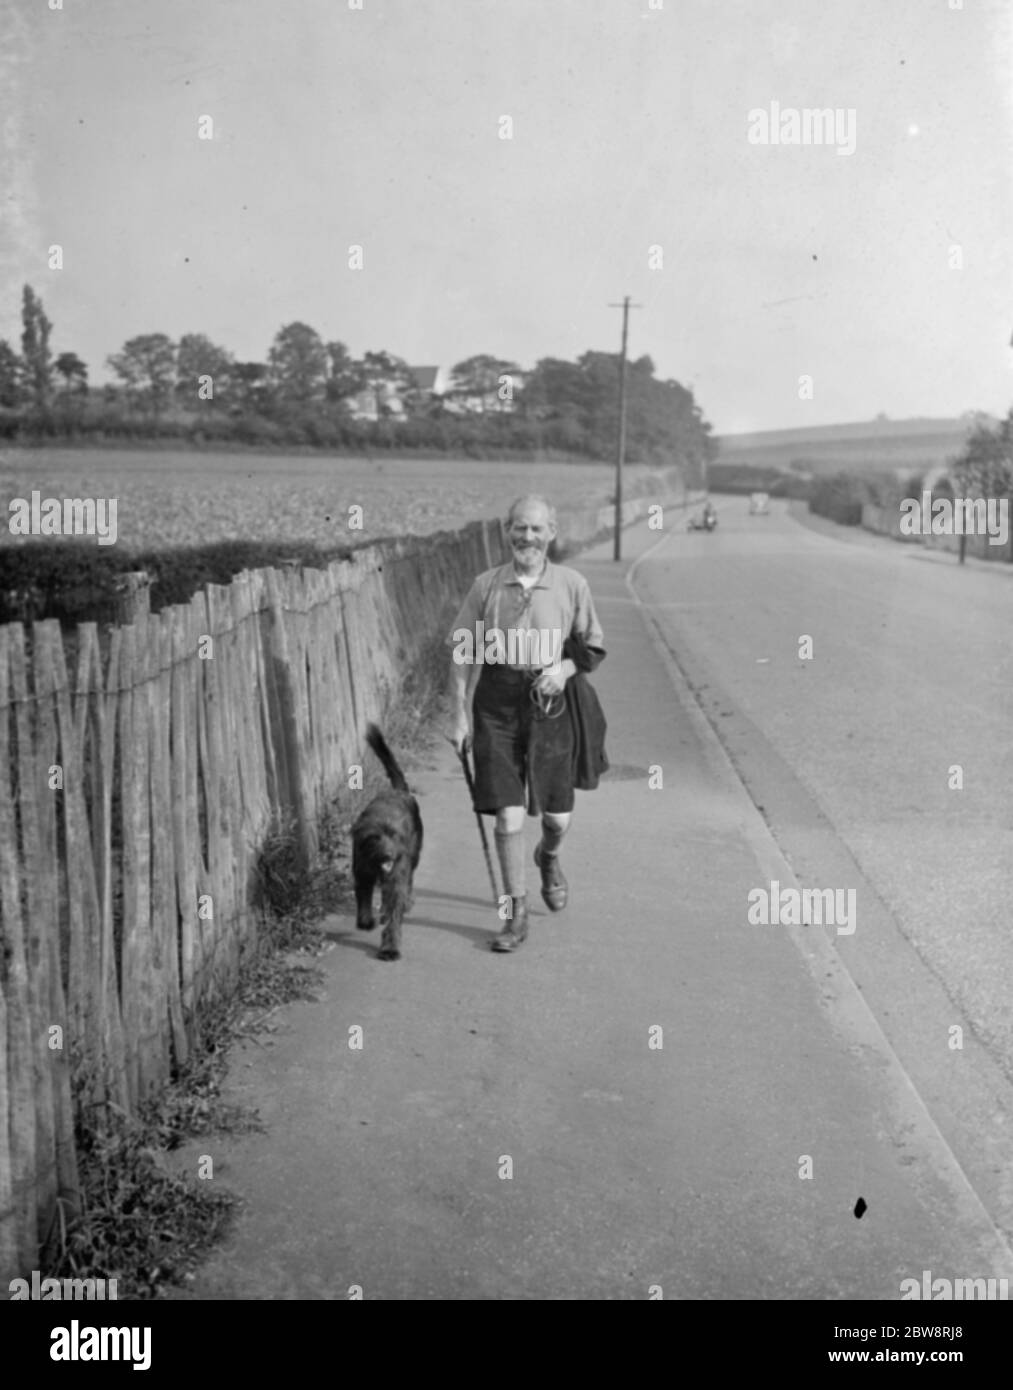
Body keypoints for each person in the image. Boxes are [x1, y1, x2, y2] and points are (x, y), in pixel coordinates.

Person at [446, 495, 606, 952]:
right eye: (520, 528)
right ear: (507, 530)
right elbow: (461, 650)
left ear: (552, 532)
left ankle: (549, 857)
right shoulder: (486, 586)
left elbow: (591, 646)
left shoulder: (572, 584)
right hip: (496, 703)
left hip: (551, 705)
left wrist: (564, 670)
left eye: (536, 529)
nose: (527, 537)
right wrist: (458, 715)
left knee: (556, 816)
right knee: (507, 814)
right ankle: (514, 913)